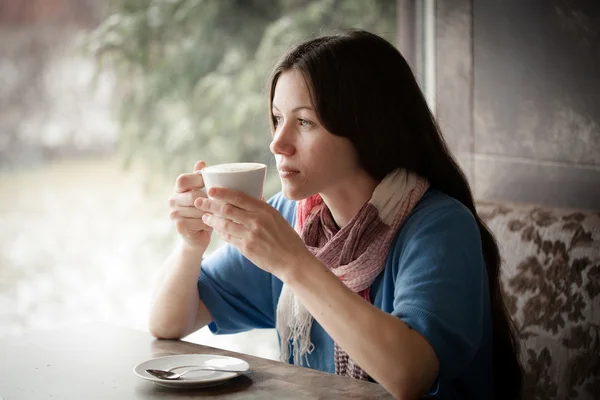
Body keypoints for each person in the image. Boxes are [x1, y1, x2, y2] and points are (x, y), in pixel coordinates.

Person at [149, 29, 522, 399]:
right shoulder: (292, 217)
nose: (277, 143)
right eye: (278, 119)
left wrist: (293, 262)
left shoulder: (440, 227)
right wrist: (189, 247)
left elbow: (410, 375)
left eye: (304, 122)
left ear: (365, 128)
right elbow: (169, 323)